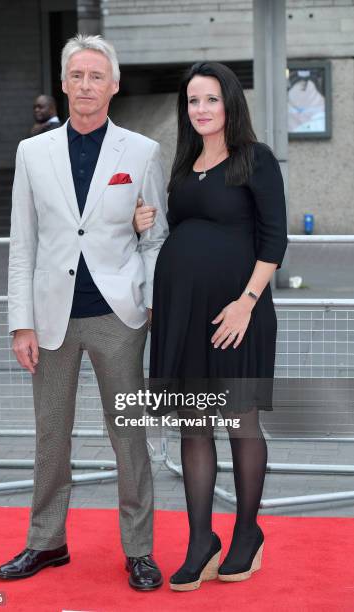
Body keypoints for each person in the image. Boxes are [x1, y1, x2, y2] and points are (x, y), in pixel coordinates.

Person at [0, 34, 168, 590]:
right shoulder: (32, 152)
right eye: (77, 76)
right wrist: (20, 321)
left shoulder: (141, 151)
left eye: (97, 76)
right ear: (64, 83)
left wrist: (149, 298)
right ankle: (46, 542)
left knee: (128, 436)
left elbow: (156, 238)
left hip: (120, 317)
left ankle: (138, 549)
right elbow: (23, 244)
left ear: (114, 85)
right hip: (50, 320)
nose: (87, 85)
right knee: (51, 435)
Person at [134, 61, 287, 590]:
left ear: (230, 105)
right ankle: (202, 540)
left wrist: (247, 301)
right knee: (193, 424)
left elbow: (274, 239)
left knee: (240, 421)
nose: (201, 109)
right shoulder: (183, 165)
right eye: (193, 101)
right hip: (183, 315)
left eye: (211, 100)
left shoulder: (255, 160)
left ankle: (247, 533)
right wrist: (144, 224)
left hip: (237, 315)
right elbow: (179, 234)